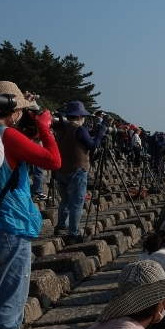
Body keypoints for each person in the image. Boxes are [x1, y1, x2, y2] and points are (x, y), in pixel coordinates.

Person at [0, 82, 61, 329]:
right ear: (13, 109)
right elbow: (53, 161)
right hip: (9, 225)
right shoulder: (6, 135)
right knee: (10, 297)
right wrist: (46, 128)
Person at [53, 101, 107, 244]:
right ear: (79, 116)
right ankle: (73, 234)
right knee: (76, 203)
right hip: (77, 169)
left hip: (61, 170)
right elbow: (93, 145)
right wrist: (101, 133)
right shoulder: (79, 129)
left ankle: (60, 226)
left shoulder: (60, 130)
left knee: (64, 201)